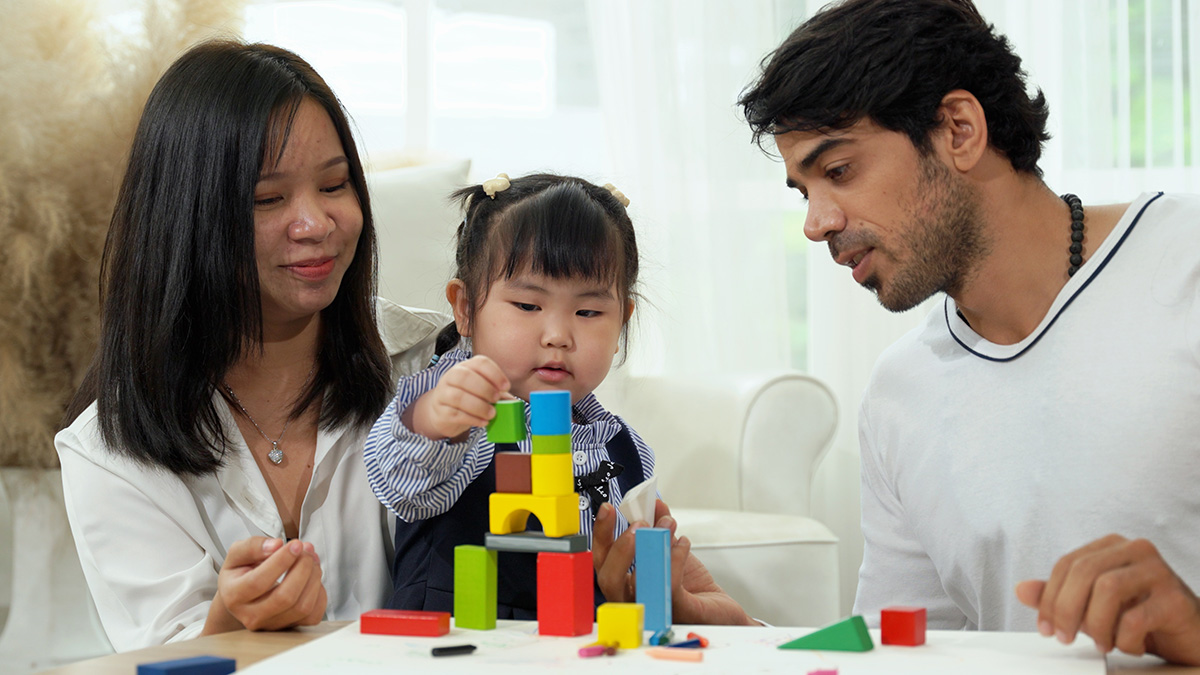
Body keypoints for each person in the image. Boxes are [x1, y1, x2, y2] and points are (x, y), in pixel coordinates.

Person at [739, 0, 1200, 664]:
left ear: (959, 129)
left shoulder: (1184, 268)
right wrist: (742, 640)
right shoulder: (902, 393)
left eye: (838, 171)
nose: (817, 222)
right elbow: (900, 649)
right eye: (803, 190)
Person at [55, 40, 445, 651]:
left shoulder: (432, 367)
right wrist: (226, 627)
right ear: (188, 215)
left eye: (336, 185)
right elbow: (165, 657)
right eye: (268, 199)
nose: (315, 224)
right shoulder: (110, 450)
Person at [363, 172, 755, 625]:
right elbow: (398, 483)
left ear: (622, 323)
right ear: (466, 308)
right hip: (459, 646)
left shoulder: (623, 447)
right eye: (528, 306)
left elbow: (634, 569)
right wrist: (431, 419)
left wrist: (659, 586)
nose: (557, 336)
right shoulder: (459, 416)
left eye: (588, 312)